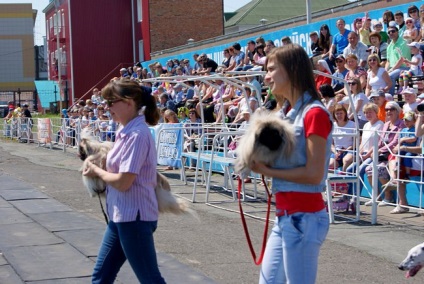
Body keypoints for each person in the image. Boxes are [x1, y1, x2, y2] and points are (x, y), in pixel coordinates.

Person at [252, 44, 332, 284]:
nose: (266, 76)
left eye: (272, 69)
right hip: (287, 216)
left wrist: (267, 170)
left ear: (292, 70)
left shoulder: (314, 113)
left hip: (303, 218)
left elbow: (314, 174)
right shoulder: (283, 114)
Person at [82, 80, 166, 283]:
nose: (106, 107)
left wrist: (95, 171)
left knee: (150, 279)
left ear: (129, 102)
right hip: (122, 216)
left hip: (134, 219)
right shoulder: (126, 132)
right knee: (101, 277)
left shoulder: (136, 135)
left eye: (111, 102)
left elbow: (123, 182)